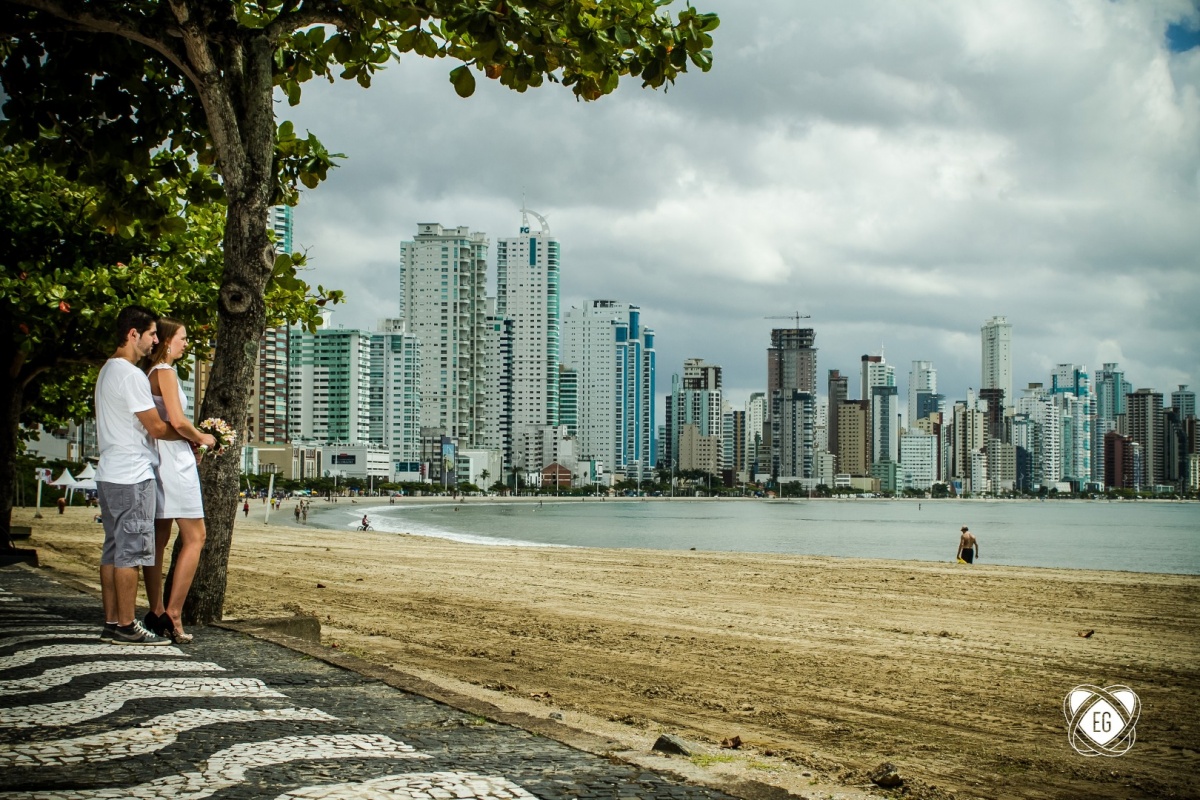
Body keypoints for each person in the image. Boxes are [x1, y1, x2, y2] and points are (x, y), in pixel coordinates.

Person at [95, 305, 180, 646]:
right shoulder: (130, 376)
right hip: (132, 473)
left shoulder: (107, 371)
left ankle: (112, 621)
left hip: (109, 472)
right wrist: (190, 436)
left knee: (113, 550)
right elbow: (157, 428)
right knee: (130, 552)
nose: (155, 341)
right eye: (151, 335)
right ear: (133, 335)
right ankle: (127, 625)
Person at [141, 318, 216, 645]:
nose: (186, 344)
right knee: (196, 535)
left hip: (159, 457)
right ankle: (173, 611)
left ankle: (157, 609)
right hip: (173, 462)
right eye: (182, 339)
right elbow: (177, 418)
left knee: (160, 537)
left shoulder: (149, 374)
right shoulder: (166, 373)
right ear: (167, 342)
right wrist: (202, 437)